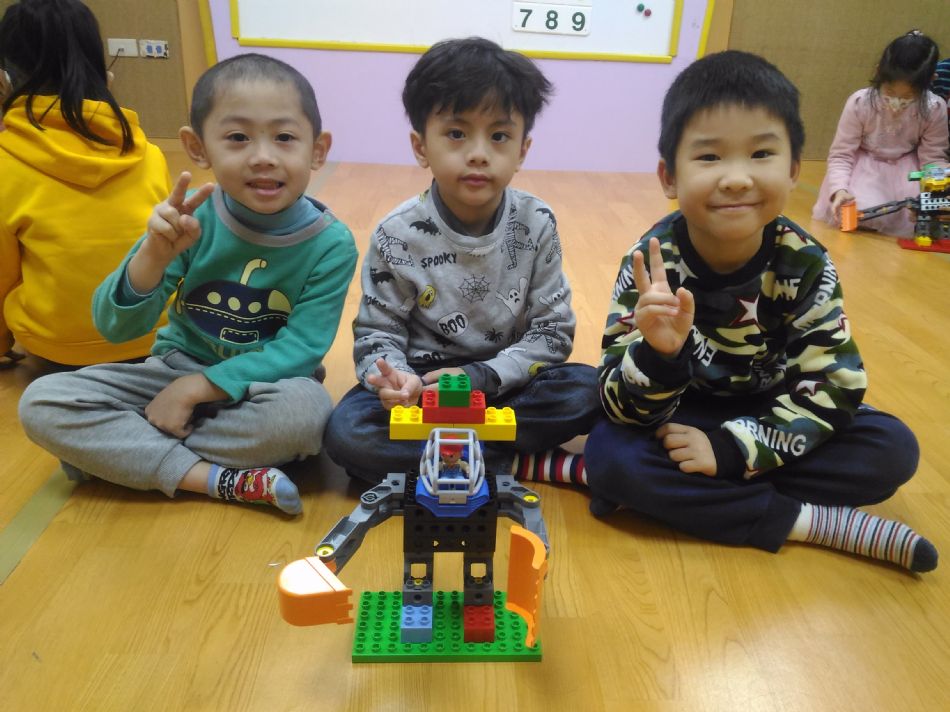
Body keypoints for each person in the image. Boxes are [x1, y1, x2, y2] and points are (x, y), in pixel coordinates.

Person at [584, 50, 937, 574]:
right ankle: (810, 523)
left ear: (793, 170)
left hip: (773, 413)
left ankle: (688, 493)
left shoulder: (805, 262)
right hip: (682, 414)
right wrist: (658, 356)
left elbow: (834, 386)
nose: (736, 178)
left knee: (890, 450)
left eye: (760, 154)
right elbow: (622, 406)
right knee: (612, 457)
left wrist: (733, 449)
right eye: (709, 157)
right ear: (669, 177)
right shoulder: (652, 263)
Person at [18, 53, 358, 515]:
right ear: (197, 148)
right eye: (237, 138)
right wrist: (153, 257)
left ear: (317, 150)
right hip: (170, 371)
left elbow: (300, 349)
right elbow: (115, 328)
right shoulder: (190, 218)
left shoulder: (331, 243)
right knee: (42, 401)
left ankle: (127, 453)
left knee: (306, 417)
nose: (263, 156)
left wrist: (197, 389)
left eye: (284, 137)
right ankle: (216, 479)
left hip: (265, 386)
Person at [323, 37, 600, 486]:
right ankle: (517, 463)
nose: (478, 152)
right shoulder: (397, 234)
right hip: (423, 389)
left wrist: (483, 376)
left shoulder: (536, 222)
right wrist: (395, 381)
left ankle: (444, 458)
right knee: (348, 433)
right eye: (456, 133)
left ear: (522, 150)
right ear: (421, 146)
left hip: (504, 381)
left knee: (587, 390)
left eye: (499, 136)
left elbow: (552, 332)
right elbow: (378, 334)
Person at [0, 0, 171, 368]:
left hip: (59, 349)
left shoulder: (5, 164)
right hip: (158, 334)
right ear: (105, 76)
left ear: (5, 80)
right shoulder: (150, 154)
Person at [812, 30, 948, 237]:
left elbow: (933, 158)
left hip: (906, 172)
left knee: (918, 212)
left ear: (931, 80)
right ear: (878, 73)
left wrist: (936, 192)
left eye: (909, 96)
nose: (896, 103)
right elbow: (841, 154)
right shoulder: (860, 103)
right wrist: (839, 189)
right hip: (864, 167)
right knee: (862, 210)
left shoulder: (934, 108)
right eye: (890, 92)